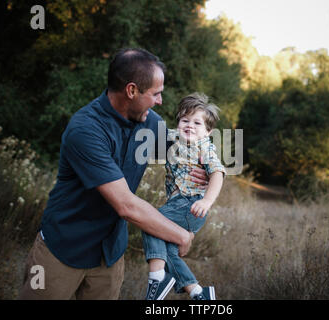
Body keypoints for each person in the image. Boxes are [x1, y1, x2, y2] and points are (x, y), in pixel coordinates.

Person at [18, 48, 208, 300]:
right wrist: (180, 235)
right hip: (62, 251)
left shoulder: (149, 122)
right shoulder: (86, 130)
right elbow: (126, 205)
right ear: (131, 91)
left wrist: (206, 169)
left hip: (109, 255)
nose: (160, 101)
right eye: (156, 94)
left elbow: (182, 151)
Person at [142, 92, 225, 300]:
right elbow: (151, 129)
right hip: (180, 207)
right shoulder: (174, 137)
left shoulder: (204, 147)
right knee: (169, 250)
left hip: (190, 205)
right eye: (185, 120)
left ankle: (158, 277)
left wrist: (207, 200)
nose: (189, 125)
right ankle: (198, 292)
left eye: (197, 123)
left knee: (150, 222)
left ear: (208, 131)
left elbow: (217, 173)